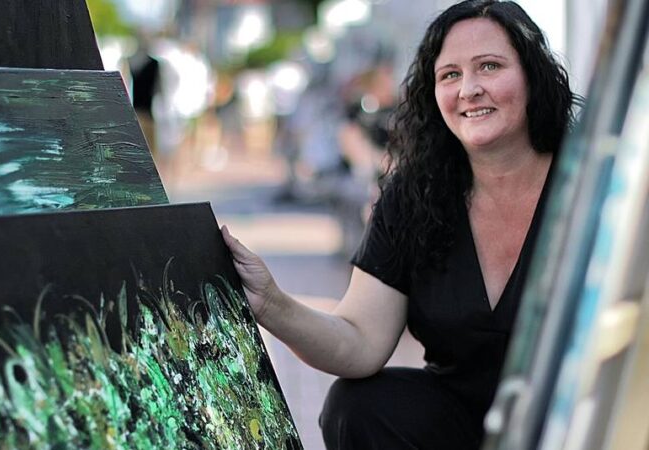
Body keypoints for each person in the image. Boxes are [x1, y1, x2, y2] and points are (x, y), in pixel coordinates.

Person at [221, 1, 579, 448]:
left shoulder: (594, 182)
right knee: (355, 406)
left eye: (489, 66)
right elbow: (359, 341)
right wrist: (271, 303)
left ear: (532, 75)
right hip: (460, 428)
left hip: (581, 423)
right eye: (450, 75)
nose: (469, 89)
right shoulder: (415, 196)